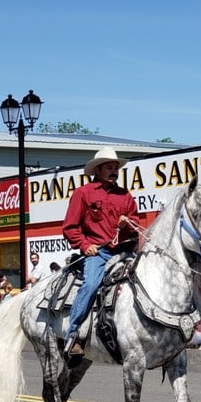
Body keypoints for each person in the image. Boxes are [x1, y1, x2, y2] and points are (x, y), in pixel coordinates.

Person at [62, 146, 139, 361]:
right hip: (98, 252)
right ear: (98, 169)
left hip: (123, 252)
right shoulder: (83, 193)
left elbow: (135, 223)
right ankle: (74, 335)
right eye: (110, 167)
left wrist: (128, 223)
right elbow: (70, 227)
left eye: (116, 167)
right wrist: (85, 245)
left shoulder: (125, 195)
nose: (114, 170)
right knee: (90, 285)